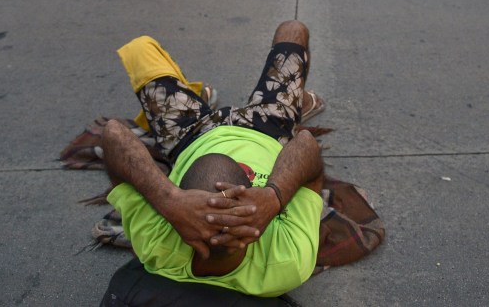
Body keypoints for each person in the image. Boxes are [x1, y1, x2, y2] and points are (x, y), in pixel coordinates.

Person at [102, 20, 324, 297]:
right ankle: (297, 101)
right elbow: (305, 144)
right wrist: (273, 197)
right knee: (293, 30)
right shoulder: (284, 262)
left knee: (139, 49)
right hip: (270, 128)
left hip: (190, 136)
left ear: (181, 214)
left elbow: (113, 134)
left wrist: (167, 201)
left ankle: (196, 96)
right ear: (250, 230)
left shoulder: (158, 244)